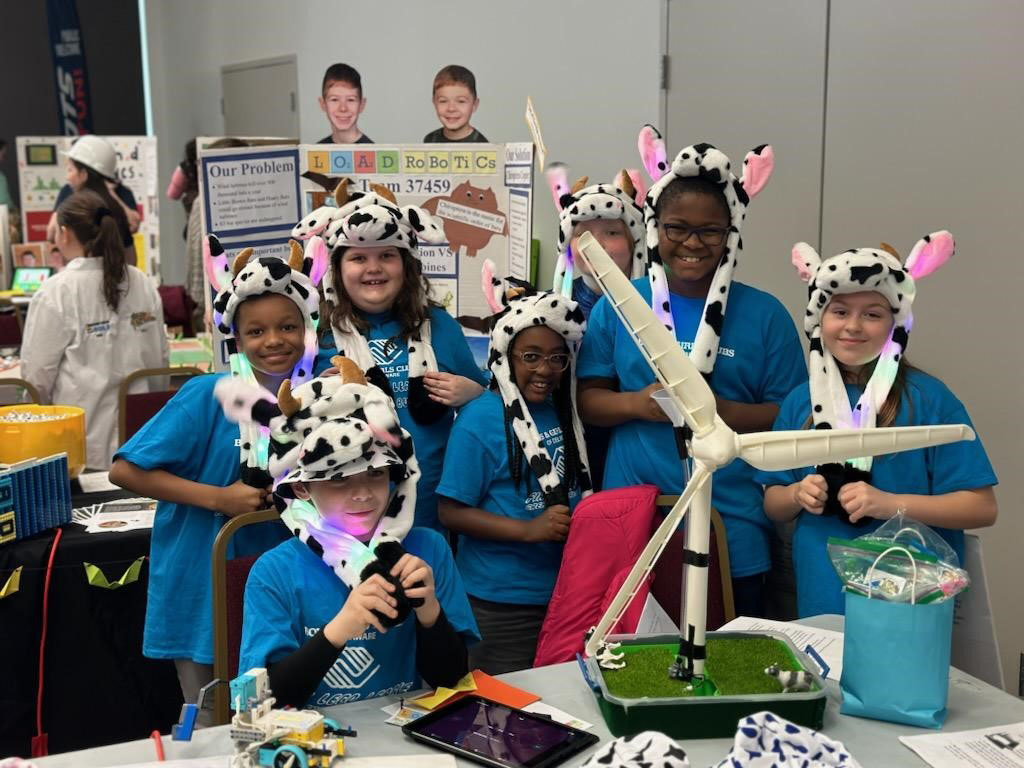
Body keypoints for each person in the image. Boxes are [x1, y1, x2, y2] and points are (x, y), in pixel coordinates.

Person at [577, 136, 806, 618]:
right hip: (632, 520)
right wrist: (640, 405)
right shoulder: (620, 302)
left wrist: (713, 410)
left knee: (729, 666)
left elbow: (791, 418)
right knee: (634, 664)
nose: (692, 244)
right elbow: (589, 402)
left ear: (731, 232)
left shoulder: (765, 315)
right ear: (655, 228)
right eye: (677, 228)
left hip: (733, 524)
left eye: (710, 231)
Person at [109, 235, 327, 712]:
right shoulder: (209, 395)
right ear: (236, 336)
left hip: (285, 589)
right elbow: (124, 470)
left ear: (308, 328)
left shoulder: (323, 394)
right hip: (203, 589)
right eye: (257, 332)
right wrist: (219, 499)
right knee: (214, 717)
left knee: (288, 714)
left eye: (288, 327)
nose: (274, 341)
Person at [759, 233, 998, 617]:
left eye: (872, 314)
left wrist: (891, 505)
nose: (853, 326)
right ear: (819, 317)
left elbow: (981, 507)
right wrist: (797, 494)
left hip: (910, 599)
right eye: (839, 311)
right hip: (821, 593)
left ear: (896, 323)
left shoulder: (929, 399)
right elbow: (772, 501)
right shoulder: (801, 401)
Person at [224, 357, 478, 708]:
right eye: (339, 479)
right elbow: (265, 700)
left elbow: (451, 678)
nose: (362, 494)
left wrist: (429, 611)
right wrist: (341, 628)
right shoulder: (274, 573)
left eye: (376, 474)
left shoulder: (427, 550)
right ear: (301, 489)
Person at [438, 265, 592, 674]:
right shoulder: (481, 420)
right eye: (531, 357)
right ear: (504, 358)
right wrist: (529, 530)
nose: (545, 369)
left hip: (563, 594)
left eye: (557, 358)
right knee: (502, 716)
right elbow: (450, 512)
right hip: (498, 602)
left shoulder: (564, 412)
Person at [315, 183, 488, 531]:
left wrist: (472, 393)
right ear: (337, 269)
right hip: (351, 512)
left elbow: (489, 403)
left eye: (387, 256)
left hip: (431, 509)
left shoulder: (439, 326)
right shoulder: (322, 338)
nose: (373, 268)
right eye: (358, 257)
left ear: (406, 266)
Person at [21, 189, 167, 470]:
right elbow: (159, 365)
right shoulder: (142, 283)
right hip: (146, 440)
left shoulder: (57, 291)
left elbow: (37, 381)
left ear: (64, 233)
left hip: (81, 447)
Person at [45, 136, 139, 264]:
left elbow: (51, 234)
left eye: (70, 170)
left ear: (83, 174)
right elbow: (131, 258)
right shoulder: (116, 205)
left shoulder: (72, 200)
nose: (67, 177)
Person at [423, 65, 488, 143]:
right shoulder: (430, 140)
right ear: (434, 103)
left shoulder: (482, 146)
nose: (451, 108)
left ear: (474, 105)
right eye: (443, 101)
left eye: (461, 101)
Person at [318, 63, 373, 144]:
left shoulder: (373, 153)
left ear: (362, 105)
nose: (343, 108)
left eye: (350, 100)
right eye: (334, 100)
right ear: (323, 104)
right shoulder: (316, 151)